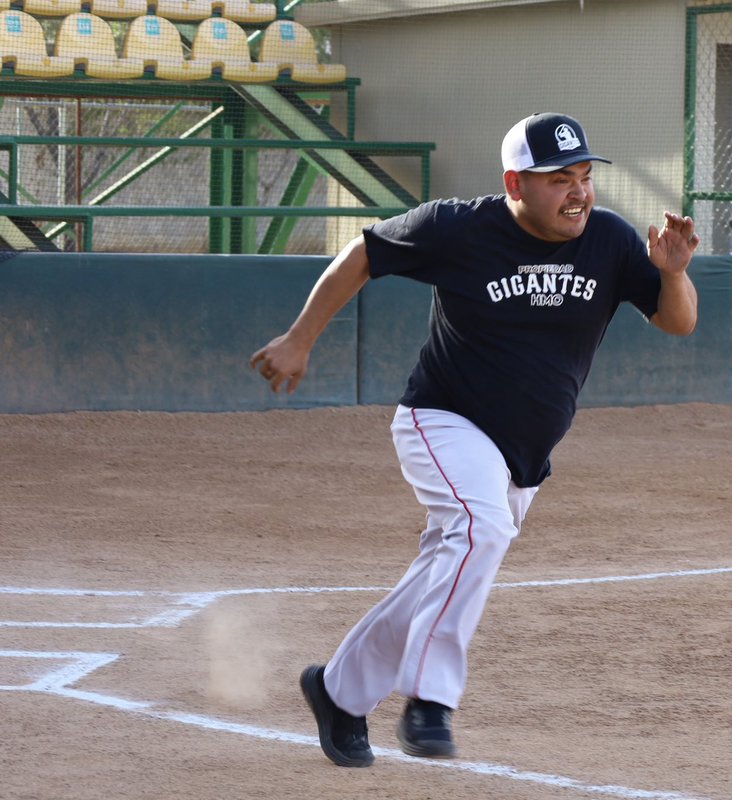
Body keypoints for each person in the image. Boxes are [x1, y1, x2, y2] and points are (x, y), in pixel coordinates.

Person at [250, 112, 699, 767]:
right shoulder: (458, 227)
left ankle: (338, 692)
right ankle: (430, 700)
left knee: (443, 572)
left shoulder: (607, 240)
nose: (578, 192)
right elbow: (364, 255)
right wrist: (300, 338)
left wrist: (673, 271)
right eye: (558, 180)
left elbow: (675, 322)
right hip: (442, 420)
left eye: (584, 177)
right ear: (514, 182)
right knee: (480, 529)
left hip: (523, 456)